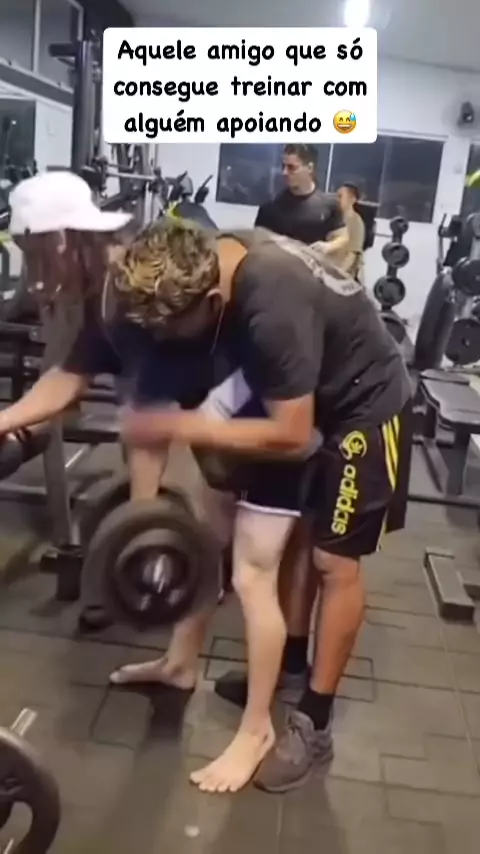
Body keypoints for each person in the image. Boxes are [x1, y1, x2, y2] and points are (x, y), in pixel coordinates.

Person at [6, 170, 412, 795]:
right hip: (273, 397)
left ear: (212, 306)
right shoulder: (163, 281)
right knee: (220, 538)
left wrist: (180, 424)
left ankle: (293, 724)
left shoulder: (267, 301)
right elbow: (91, 377)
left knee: (315, 563)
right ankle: (198, 665)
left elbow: (291, 433)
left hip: (361, 401)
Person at [255, 144, 349, 258]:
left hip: (312, 267)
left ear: (309, 168)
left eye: (292, 168)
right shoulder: (270, 209)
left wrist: (328, 246)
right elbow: (256, 243)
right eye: (283, 166)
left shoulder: (329, 205)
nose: (284, 172)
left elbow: (343, 237)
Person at [336, 182, 366, 284]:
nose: (337, 200)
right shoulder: (335, 218)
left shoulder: (355, 221)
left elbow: (353, 253)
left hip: (345, 273)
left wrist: (340, 274)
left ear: (352, 199)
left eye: (340, 196)